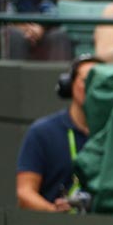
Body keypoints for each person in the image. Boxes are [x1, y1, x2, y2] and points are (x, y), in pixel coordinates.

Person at [15, 54, 96, 212]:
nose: (93, 88)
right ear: (70, 84)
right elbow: (24, 193)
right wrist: (52, 211)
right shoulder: (43, 132)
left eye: (100, 83)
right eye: (87, 81)